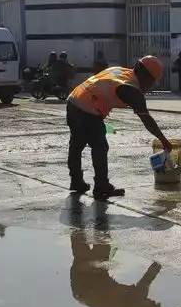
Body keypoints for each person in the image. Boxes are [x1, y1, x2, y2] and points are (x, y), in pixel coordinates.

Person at [66, 55, 173, 199]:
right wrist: (163, 140)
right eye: (151, 82)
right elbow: (146, 119)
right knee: (100, 147)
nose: (150, 86)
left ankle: (76, 181)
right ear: (144, 75)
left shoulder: (120, 71)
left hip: (73, 101)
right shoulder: (131, 89)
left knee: (76, 144)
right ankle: (101, 186)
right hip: (87, 109)